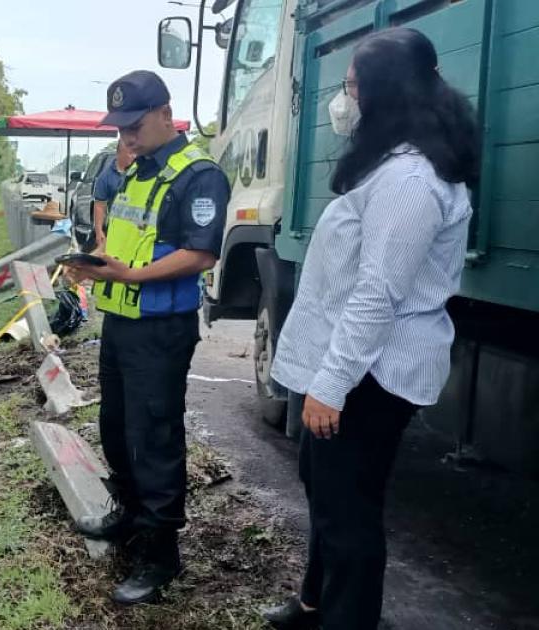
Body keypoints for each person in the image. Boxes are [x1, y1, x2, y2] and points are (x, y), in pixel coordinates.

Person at [263, 28, 479, 630]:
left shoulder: (410, 181)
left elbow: (378, 294)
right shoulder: (392, 163)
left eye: (352, 86)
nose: (344, 99)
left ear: (383, 92)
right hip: (353, 365)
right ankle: (313, 603)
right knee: (326, 491)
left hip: (369, 373)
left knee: (349, 514)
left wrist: (329, 387)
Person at [63, 70, 229, 605]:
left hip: (161, 329)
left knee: (154, 436)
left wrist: (127, 276)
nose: (126, 138)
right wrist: (92, 266)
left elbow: (201, 253)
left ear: (165, 114)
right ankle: (130, 513)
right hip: (120, 322)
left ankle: (161, 554)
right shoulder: (135, 174)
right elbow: (125, 240)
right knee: (116, 426)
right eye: (119, 129)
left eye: (135, 126)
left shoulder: (198, 175)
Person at [91, 142, 137, 252]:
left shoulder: (139, 171)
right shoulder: (105, 177)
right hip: (116, 227)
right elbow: (99, 205)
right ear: (119, 154)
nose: (134, 156)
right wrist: (98, 230)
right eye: (130, 153)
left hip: (137, 227)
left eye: (135, 153)